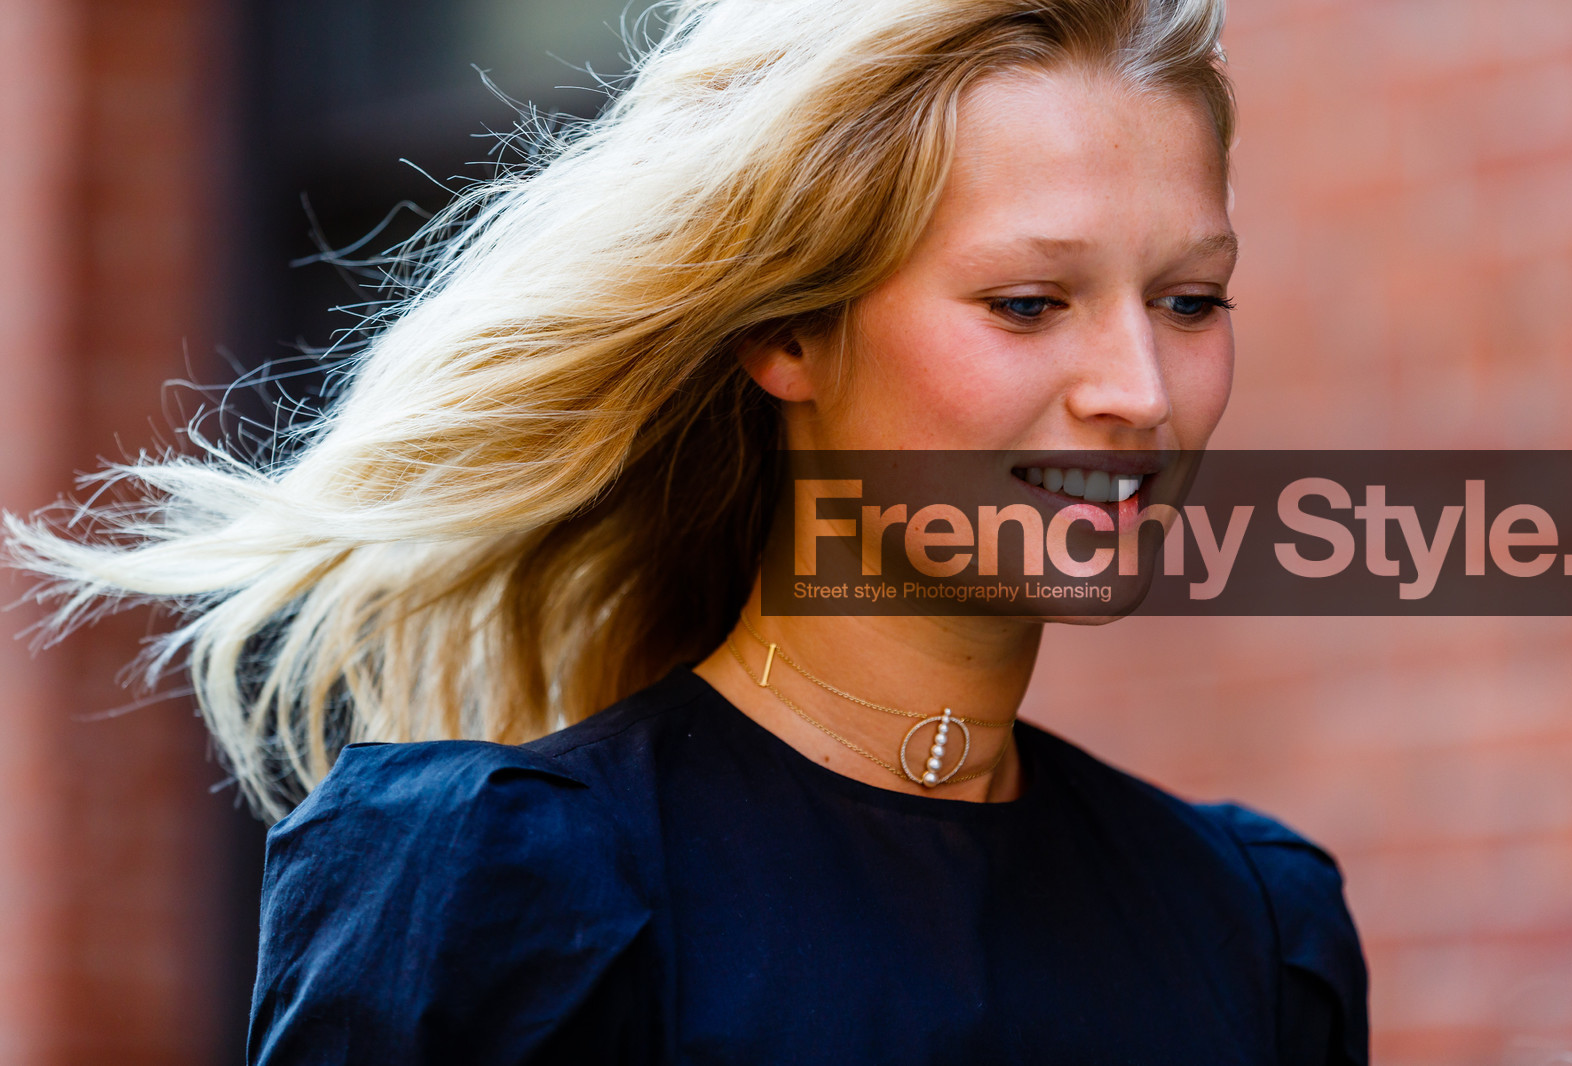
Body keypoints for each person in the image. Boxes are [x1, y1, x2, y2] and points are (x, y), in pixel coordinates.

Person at [5, 0, 1368, 1061]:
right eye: (1028, 304)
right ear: (789, 333)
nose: (1140, 391)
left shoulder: (1253, 928)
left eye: (1190, 301)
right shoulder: (505, 893)